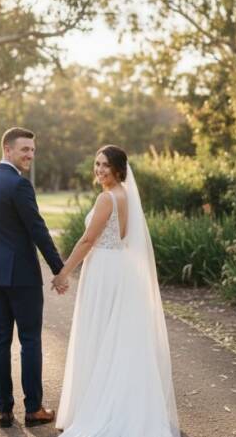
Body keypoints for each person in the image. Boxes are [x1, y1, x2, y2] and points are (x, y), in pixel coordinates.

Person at [52, 145, 180, 436]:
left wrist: (63, 273)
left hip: (103, 270)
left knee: (100, 332)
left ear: (119, 169)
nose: (99, 170)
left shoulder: (106, 198)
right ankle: (121, 404)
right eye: (97, 164)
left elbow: (87, 240)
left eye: (105, 165)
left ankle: (102, 408)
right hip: (119, 268)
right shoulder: (127, 195)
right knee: (116, 335)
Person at [0, 127, 64, 428]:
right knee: (30, 340)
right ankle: (34, 409)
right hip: (21, 276)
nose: (30, 155)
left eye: (32, 150)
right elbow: (38, 229)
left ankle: (4, 410)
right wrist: (59, 269)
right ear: (7, 150)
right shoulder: (19, 184)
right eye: (25, 149)